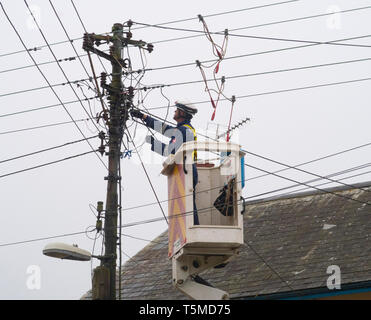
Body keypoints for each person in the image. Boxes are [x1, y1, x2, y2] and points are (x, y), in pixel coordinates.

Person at [130, 101, 200, 225]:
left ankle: (194, 229)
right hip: (187, 169)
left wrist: (153, 142)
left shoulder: (184, 131)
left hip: (187, 170)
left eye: (176, 110)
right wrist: (143, 117)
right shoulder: (183, 129)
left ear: (182, 113)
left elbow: (169, 151)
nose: (174, 112)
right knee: (187, 204)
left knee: (188, 206)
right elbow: (164, 128)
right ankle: (193, 228)